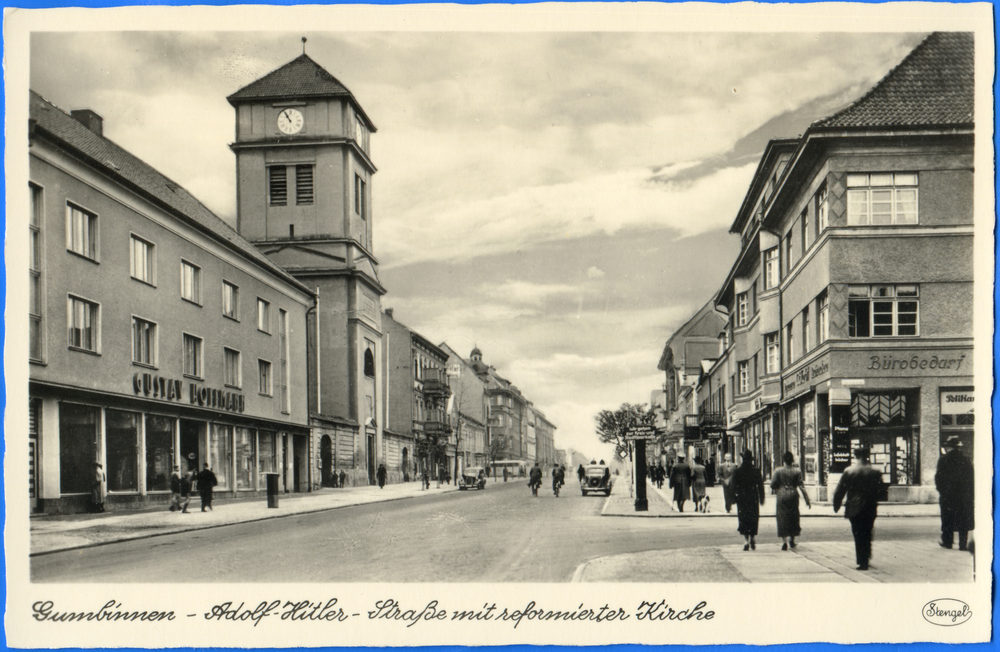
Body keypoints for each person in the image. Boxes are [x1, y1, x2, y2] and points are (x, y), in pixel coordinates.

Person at [833, 447, 885, 571]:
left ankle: (862, 561)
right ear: (867, 456)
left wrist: (836, 504)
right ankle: (866, 557)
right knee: (867, 531)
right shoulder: (875, 471)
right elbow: (882, 492)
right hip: (870, 507)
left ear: (855, 456)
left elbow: (840, 490)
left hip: (854, 507)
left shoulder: (849, 471)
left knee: (858, 534)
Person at [935, 436, 974, 550]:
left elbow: (939, 478)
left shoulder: (943, 460)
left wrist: (942, 491)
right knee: (963, 520)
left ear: (948, 447)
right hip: (963, 495)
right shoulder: (966, 460)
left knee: (948, 519)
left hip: (948, 495)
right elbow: (971, 479)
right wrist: (970, 494)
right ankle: (963, 544)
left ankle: (948, 542)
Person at [771, 451, 811, 550]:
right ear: (792, 460)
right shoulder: (797, 471)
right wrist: (807, 500)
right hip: (793, 494)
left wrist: (779, 486)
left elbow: (772, 485)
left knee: (782, 517)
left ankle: (784, 541)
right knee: (793, 516)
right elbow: (801, 486)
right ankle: (792, 540)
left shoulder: (778, 471)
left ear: (783, 460)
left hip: (781, 494)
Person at [731, 450, 765, 551]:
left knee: (743, 518)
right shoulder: (756, 470)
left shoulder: (738, 471)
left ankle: (746, 542)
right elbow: (760, 485)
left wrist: (734, 497)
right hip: (753, 496)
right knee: (753, 518)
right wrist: (761, 498)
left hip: (742, 497)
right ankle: (753, 538)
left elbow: (733, 486)